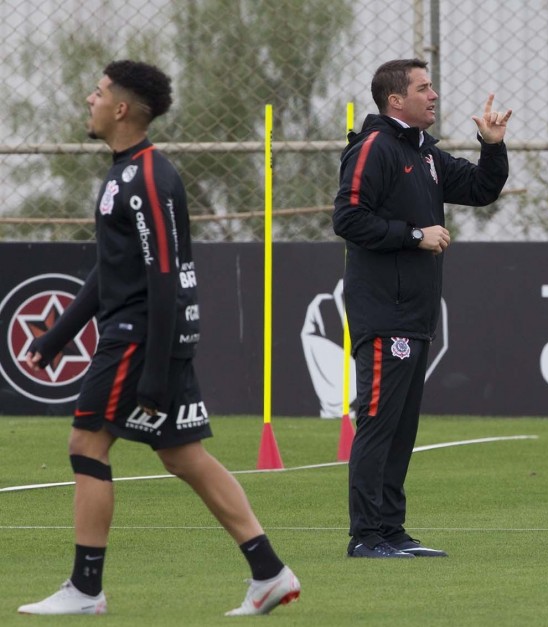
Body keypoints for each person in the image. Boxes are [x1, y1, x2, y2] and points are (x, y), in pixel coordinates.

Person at [17, 60, 300, 616]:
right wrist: (58, 336)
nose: (89, 100)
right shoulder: (123, 174)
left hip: (139, 338)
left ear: (121, 108)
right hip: (144, 336)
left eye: (97, 92)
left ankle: (86, 590)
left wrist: (153, 369)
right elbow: (112, 270)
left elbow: (164, 276)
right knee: (182, 455)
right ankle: (269, 573)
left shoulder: (148, 176)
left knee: (86, 445)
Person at [333, 59, 511, 558]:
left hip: (414, 315)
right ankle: (365, 535)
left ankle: (391, 530)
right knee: (378, 421)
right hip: (383, 313)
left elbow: (480, 189)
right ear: (395, 100)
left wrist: (492, 147)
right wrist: (415, 235)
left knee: (401, 426)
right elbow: (347, 217)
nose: (434, 94)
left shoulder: (424, 153)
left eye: (432, 86)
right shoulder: (373, 147)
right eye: (423, 87)